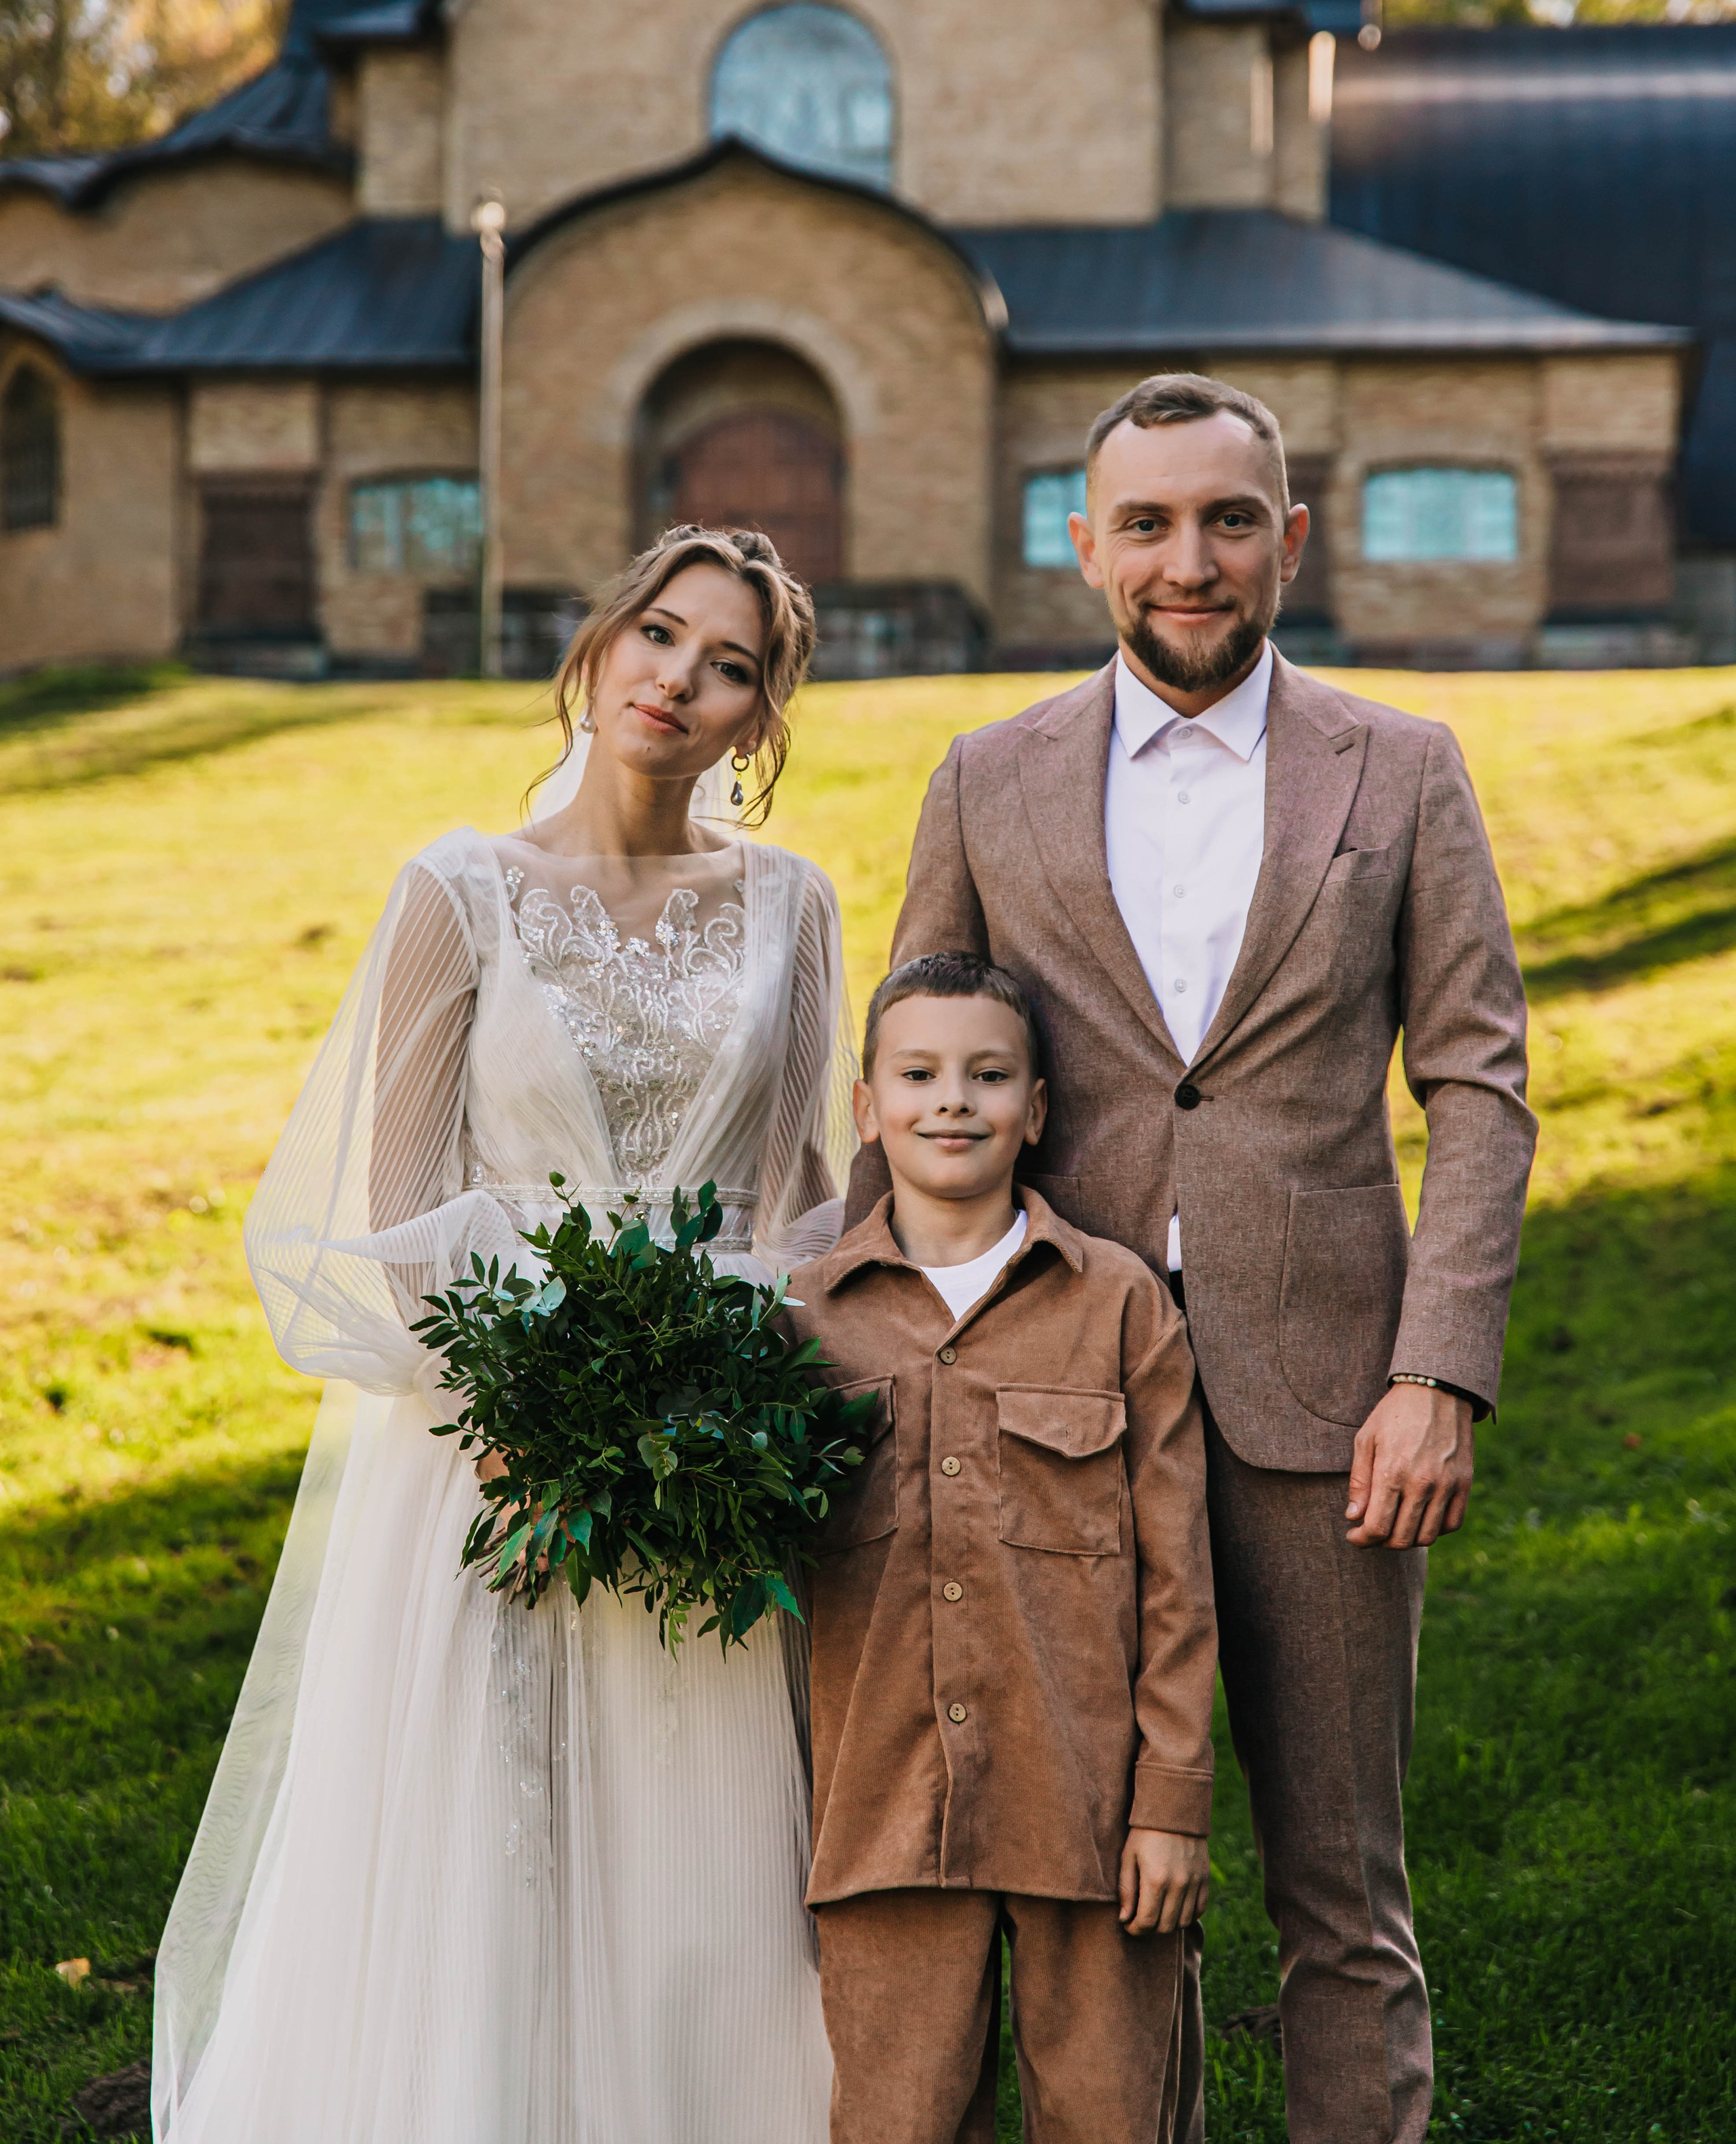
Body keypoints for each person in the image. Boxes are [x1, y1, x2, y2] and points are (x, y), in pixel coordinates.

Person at [847, 374, 1537, 2144]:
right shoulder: (988, 779)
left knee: (1340, 1890)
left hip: (1331, 1410)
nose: (1191, 559)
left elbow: (1478, 1082)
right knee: (1098, 1888)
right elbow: (913, 1070)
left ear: (1289, 539)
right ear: (1083, 546)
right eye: (1147, 522)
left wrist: (1436, 1371)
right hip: (1045, 1413)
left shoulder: (1401, 768)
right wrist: (850, 1349)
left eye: (1231, 519)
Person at [153, 526, 854, 2144]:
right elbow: (400, 1216)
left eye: (730, 663)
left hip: (707, 1460)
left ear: (761, 715)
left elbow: (795, 1196)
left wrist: (729, 1405)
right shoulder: (454, 891)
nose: (679, 678)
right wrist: (525, 1418)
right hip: (486, 1451)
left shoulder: (791, 906)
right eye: (659, 635)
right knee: (489, 1841)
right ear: (601, 648)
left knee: (692, 1854)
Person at [787, 951, 1216, 2144]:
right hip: (880, 1825)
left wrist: (1171, 1803)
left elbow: (1179, 1582)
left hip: (1088, 1820)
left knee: (1115, 2120)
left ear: (1037, 1107)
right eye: (917, 1073)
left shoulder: (1120, 1304)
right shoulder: (806, 1324)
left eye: (988, 1073)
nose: (953, 1100)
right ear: (867, 1109)